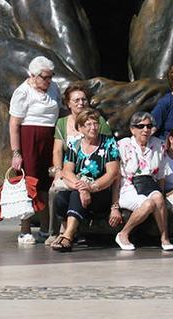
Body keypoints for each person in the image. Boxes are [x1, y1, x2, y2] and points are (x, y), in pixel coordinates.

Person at [48, 84, 112, 242]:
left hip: (93, 174)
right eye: (76, 100)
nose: (81, 103)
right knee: (55, 191)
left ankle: (69, 234)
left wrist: (85, 185)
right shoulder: (62, 123)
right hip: (68, 171)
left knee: (76, 194)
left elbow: (106, 147)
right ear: (68, 103)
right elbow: (57, 151)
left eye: (84, 99)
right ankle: (54, 231)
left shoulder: (98, 121)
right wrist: (58, 171)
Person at [51, 109, 121, 252]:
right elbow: (67, 171)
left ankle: (68, 236)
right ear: (80, 128)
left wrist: (91, 187)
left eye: (95, 123)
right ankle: (69, 232)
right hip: (80, 187)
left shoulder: (108, 143)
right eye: (88, 124)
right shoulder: (75, 144)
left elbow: (112, 173)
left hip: (100, 190)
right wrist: (82, 187)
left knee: (75, 195)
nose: (93, 127)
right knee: (61, 198)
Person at [9, 56, 60, 245]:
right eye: (45, 77)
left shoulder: (54, 89)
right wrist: (17, 152)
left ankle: (47, 228)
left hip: (50, 137)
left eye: (50, 77)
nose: (48, 81)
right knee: (28, 184)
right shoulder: (23, 92)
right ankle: (25, 229)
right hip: (29, 137)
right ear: (33, 75)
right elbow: (14, 124)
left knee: (47, 182)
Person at [114, 112, 172, 251]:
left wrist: (162, 201)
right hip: (128, 187)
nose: (145, 130)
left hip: (149, 185)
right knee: (149, 204)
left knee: (158, 197)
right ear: (132, 129)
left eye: (149, 126)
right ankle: (123, 234)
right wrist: (114, 206)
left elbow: (161, 175)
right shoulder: (122, 145)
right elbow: (116, 178)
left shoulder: (159, 145)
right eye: (141, 126)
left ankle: (164, 237)